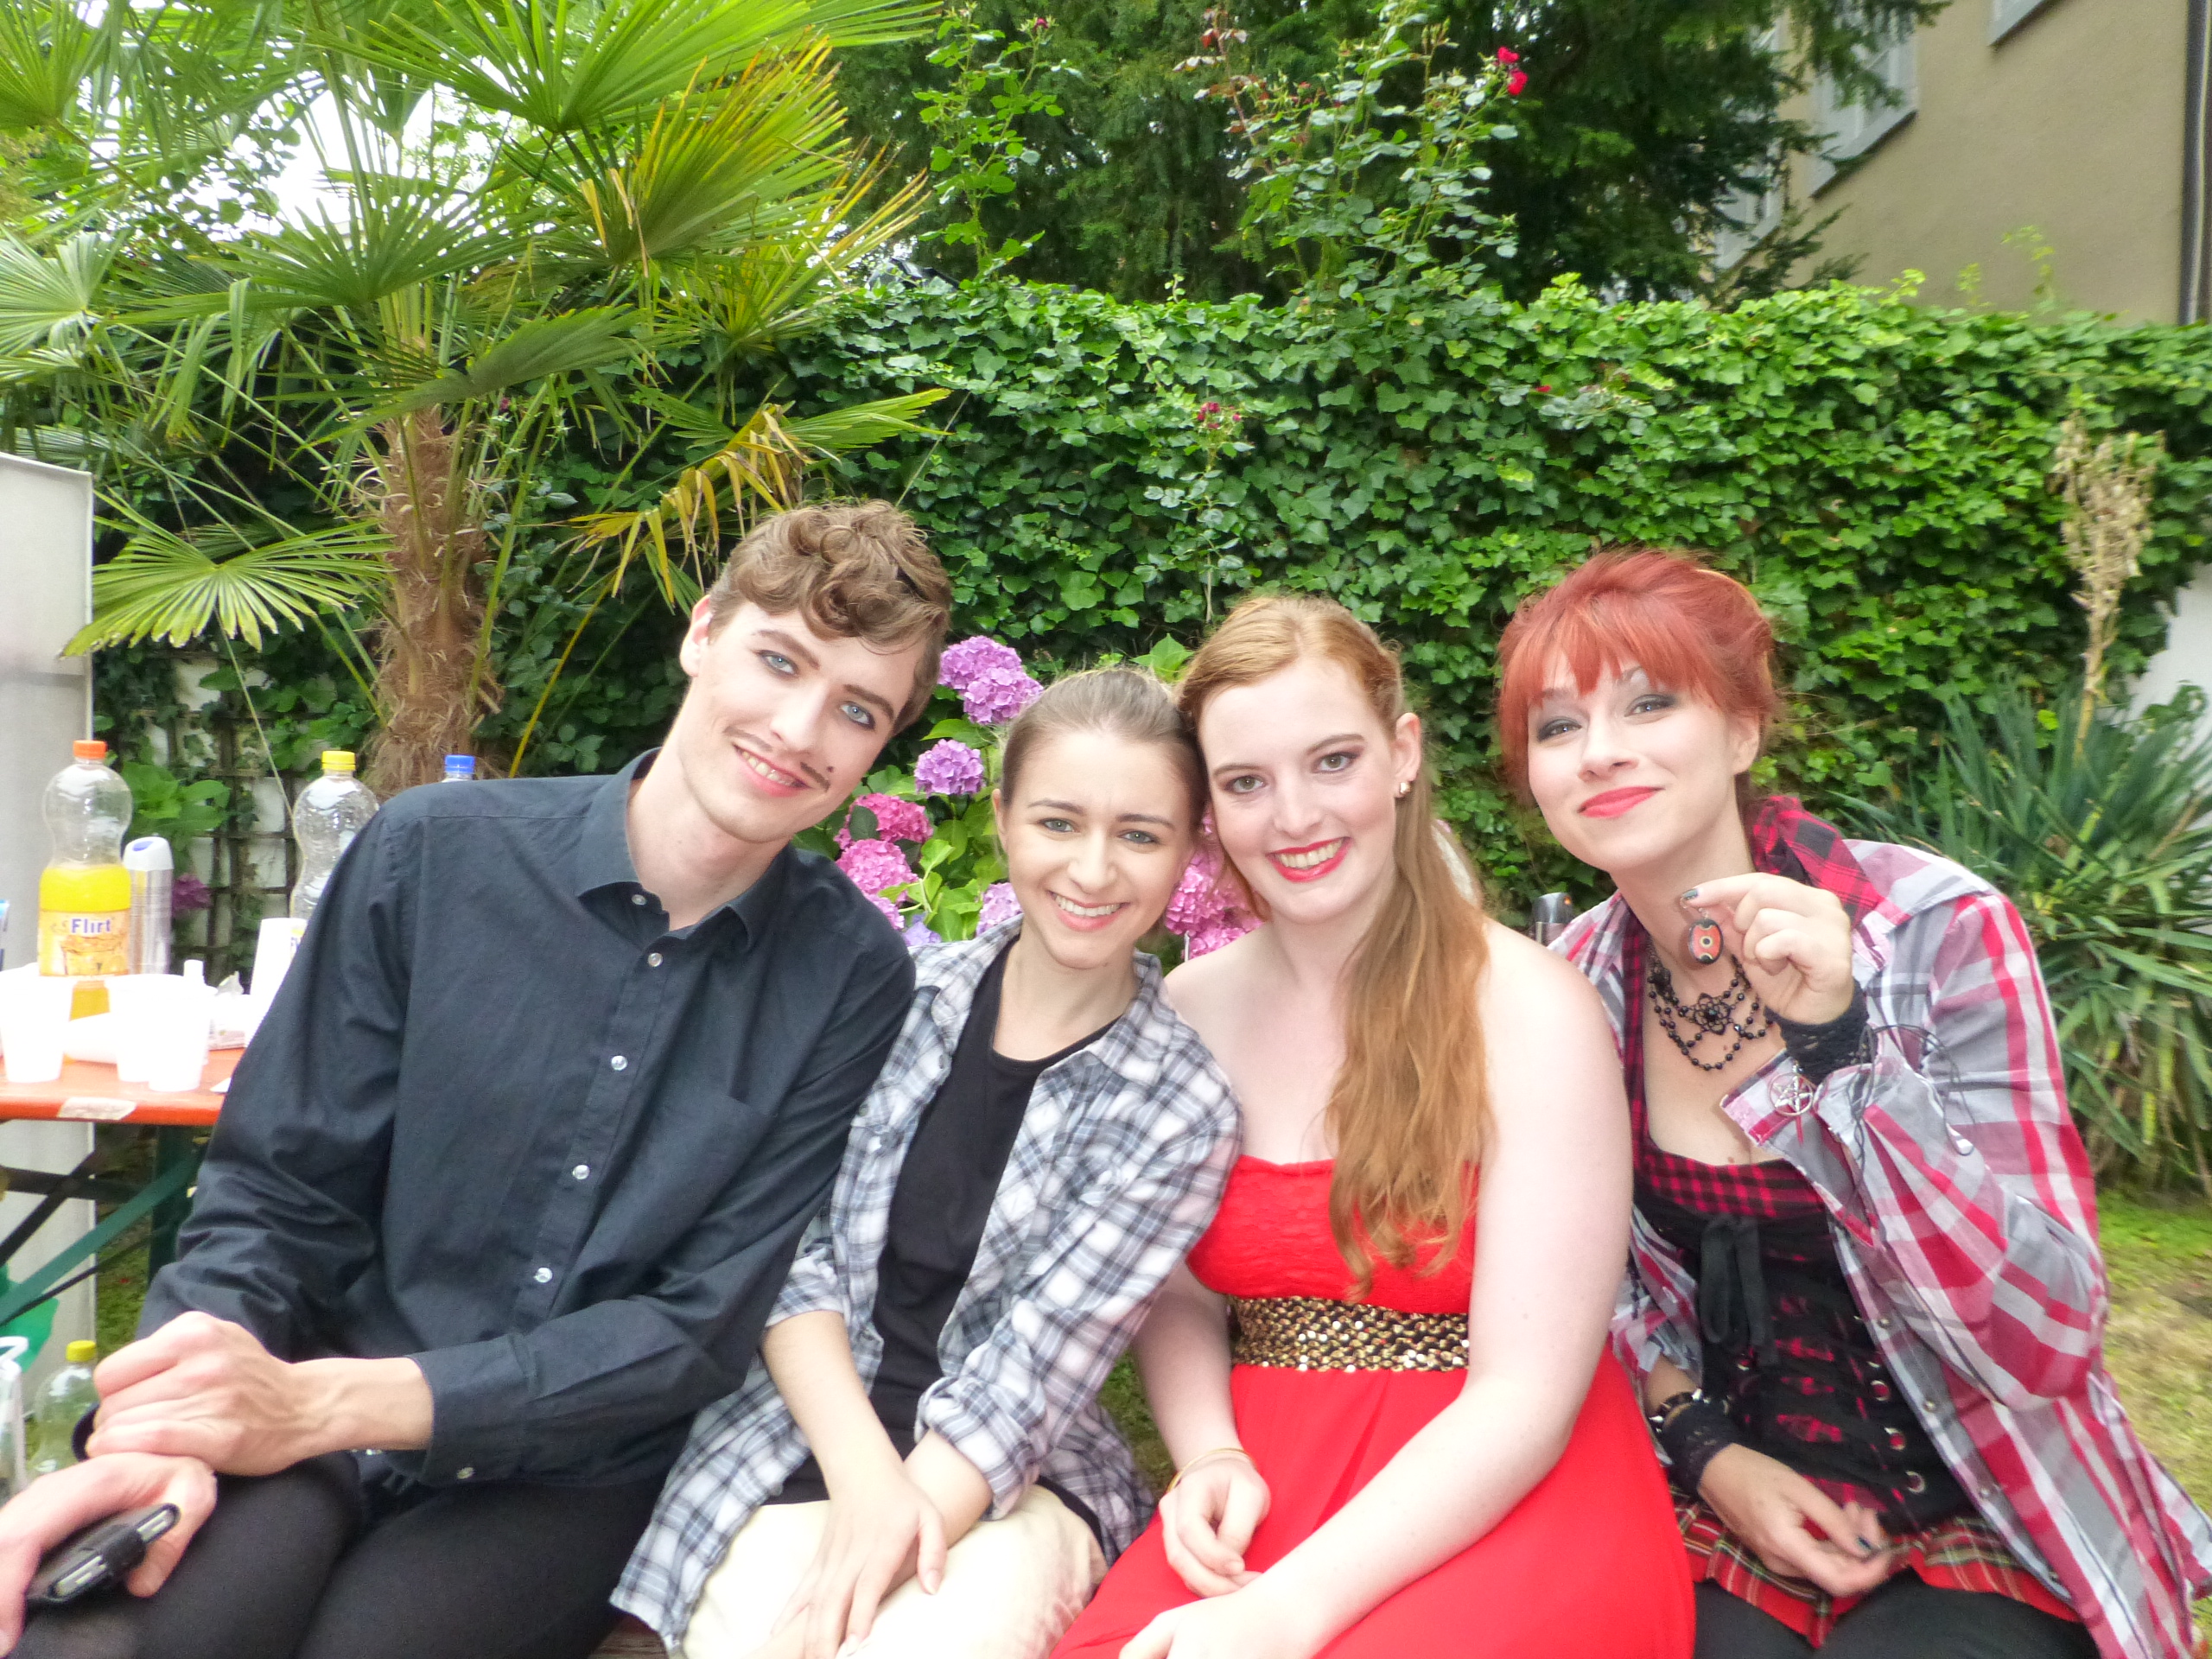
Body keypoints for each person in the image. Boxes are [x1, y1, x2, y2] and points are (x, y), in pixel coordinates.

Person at [0, 503, 955, 1659]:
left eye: (856, 710)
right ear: (703, 633)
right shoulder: (431, 853)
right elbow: (278, 1191)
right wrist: (173, 1425)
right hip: (306, 1395)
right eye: (780, 660)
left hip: (559, 1472)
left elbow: (696, 1325)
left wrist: (326, 1405)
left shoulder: (850, 972)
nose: (799, 731)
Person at [1494, 548, 2212, 1659]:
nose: (1599, 752)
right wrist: (1710, 1454)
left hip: (1987, 1496)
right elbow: (1598, 1300)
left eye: (1648, 704)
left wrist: (1840, 1050)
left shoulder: (1937, 930)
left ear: (1741, 730)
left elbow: (2048, 1338)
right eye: (1557, 727)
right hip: (1717, 1496)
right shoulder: (1570, 986)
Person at [1054, 594, 1694, 1659]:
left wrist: (1285, 1611)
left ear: (1401, 754)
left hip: (1500, 1490)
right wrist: (1207, 1453)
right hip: (1264, 1481)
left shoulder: (1530, 1012)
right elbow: (1175, 1293)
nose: (1295, 816)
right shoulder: (1184, 1015)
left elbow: (1527, 1395)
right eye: (1246, 783)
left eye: (1333, 762)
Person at [617, 667, 1241, 1659]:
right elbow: (790, 1248)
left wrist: (891, 1538)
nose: (1092, 871)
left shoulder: (1181, 1106)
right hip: (802, 1428)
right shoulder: (894, 996)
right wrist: (866, 1486)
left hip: (1008, 1480)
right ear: (1002, 819)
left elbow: (1037, 1370)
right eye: (1057, 823)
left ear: (1186, 852)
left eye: (1139, 835)